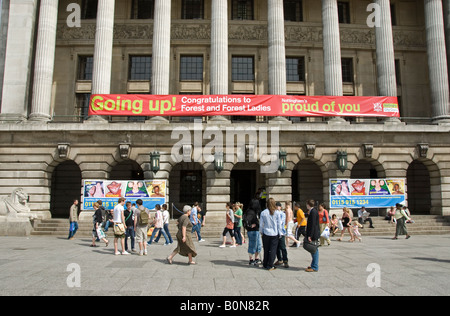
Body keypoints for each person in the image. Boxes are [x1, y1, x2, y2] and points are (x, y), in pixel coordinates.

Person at [259, 198, 283, 271]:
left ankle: (265, 263)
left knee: (266, 249)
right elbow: (279, 224)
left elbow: (261, 224)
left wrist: (261, 232)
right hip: (274, 234)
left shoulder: (263, 212)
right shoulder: (277, 213)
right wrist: (280, 233)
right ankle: (270, 265)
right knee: (273, 250)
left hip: (266, 233)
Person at [243, 199, 262, 266]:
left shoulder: (253, 211)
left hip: (256, 230)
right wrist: (250, 225)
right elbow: (246, 220)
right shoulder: (251, 212)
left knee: (258, 245)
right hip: (252, 231)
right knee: (252, 245)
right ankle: (251, 259)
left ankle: (256, 258)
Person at [305, 199, 320, 272]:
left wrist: (310, 235)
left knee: (314, 249)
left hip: (313, 234)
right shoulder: (312, 211)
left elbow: (313, 225)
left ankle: (315, 267)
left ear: (308, 204)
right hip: (313, 233)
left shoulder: (313, 212)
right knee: (313, 249)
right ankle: (313, 264)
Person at [275, 202, 289, 268]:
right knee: (277, 247)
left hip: (281, 232)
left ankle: (285, 260)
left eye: (278, 206)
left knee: (283, 247)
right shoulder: (274, 213)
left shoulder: (282, 214)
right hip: (275, 232)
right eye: (276, 206)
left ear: (280, 207)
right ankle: (279, 259)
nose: (277, 208)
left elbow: (281, 222)